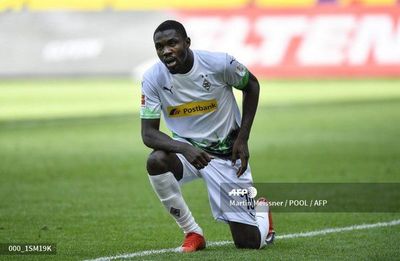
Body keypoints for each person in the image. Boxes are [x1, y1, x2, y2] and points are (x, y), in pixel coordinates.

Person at [140, 20, 274, 252]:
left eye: (172, 43)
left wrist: (243, 138)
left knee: (248, 243)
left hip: (226, 155)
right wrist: (185, 149)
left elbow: (251, 84)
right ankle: (192, 232)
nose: (166, 51)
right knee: (156, 160)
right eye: (159, 47)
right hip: (189, 153)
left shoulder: (219, 64)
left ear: (187, 43)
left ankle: (262, 212)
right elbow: (148, 133)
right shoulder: (153, 78)